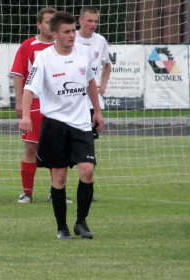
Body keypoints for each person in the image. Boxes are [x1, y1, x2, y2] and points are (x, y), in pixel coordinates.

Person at [19, 11, 103, 239]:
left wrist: (97, 111)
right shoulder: (44, 58)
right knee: (60, 177)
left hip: (82, 123)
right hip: (55, 124)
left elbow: (90, 82)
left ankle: (81, 223)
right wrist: (26, 116)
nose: (72, 35)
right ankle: (62, 228)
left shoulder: (83, 53)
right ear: (54, 33)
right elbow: (29, 89)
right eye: (66, 32)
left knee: (87, 170)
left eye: (73, 31)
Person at [11, 7, 72, 204]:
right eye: (47, 22)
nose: (50, 25)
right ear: (39, 24)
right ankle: (27, 192)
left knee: (58, 149)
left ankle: (56, 193)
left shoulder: (63, 46)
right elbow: (19, 75)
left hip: (57, 105)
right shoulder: (29, 45)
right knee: (31, 147)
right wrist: (20, 102)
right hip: (34, 104)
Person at [75, 6, 112, 202]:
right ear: (80, 21)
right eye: (89, 21)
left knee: (89, 144)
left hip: (91, 102)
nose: (93, 25)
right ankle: (56, 189)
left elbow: (107, 65)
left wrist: (103, 83)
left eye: (95, 21)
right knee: (65, 144)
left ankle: (87, 190)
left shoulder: (101, 41)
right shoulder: (71, 39)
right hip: (72, 101)